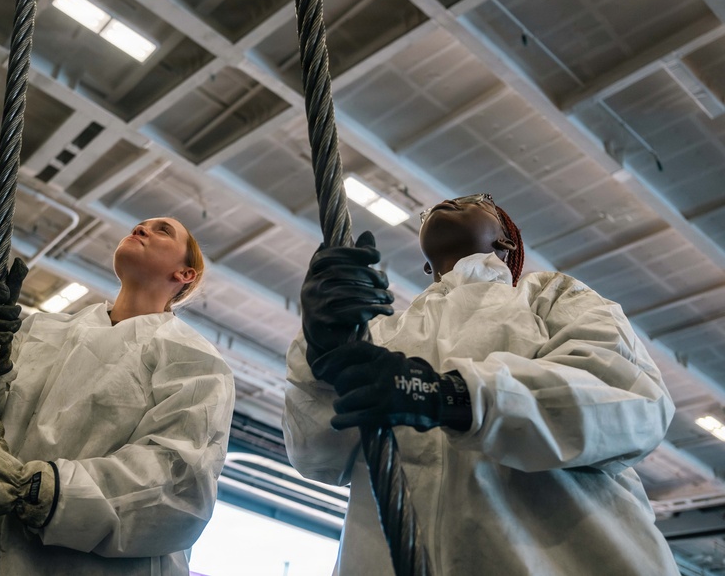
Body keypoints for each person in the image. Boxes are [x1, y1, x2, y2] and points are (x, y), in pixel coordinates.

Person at [284, 193, 678, 575]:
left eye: (480, 198)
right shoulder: (379, 331)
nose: (444, 203)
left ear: (506, 242)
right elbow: (316, 453)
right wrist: (320, 348)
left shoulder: (551, 298)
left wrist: (450, 395)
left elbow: (625, 399)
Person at [0, 217, 236, 575]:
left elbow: (177, 484)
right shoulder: (38, 332)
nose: (141, 228)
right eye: (140, 224)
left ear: (185, 274)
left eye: (163, 230)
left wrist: (36, 489)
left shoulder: (195, 361)